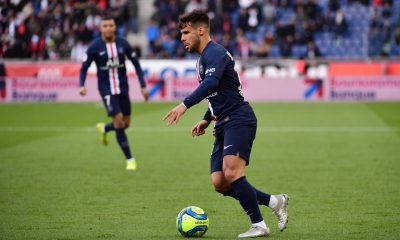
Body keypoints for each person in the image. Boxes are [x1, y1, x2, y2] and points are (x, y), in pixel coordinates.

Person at [162, 11, 288, 238]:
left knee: (232, 172)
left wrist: (184, 105)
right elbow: (218, 93)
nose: (182, 38)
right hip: (222, 122)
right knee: (220, 182)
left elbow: (211, 83)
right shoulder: (203, 59)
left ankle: (259, 224)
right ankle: (274, 201)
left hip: (238, 118)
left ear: (201, 30)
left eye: (185, 32)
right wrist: (206, 118)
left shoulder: (216, 52)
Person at [79, 16, 149, 171]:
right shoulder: (94, 47)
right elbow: (84, 67)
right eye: (105, 25)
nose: (109, 28)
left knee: (126, 123)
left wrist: (143, 86)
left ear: (115, 27)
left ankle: (104, 129)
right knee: (118, 122)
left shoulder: (123, 44)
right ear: (101, 28)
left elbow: (136, 64)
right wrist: (81, 85)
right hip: (106, 89)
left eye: (111, 25)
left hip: (123, 89)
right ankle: (130, 159)